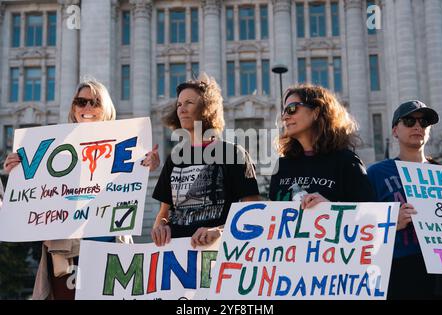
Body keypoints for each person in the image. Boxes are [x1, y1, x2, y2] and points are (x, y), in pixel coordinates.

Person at [3, 79, 159, 299]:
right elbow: (36, 197)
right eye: (81, 101)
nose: (87, 108)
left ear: (106, 109)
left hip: (110, 251)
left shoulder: (125, 145)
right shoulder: (53, 147)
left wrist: (150, 164)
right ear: (73, 107)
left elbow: (133, 181)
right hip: (66, 255)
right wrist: (17, 171)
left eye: (94, 102)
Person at [151, 73, 260, 248]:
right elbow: (163, 214)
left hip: (218, 257)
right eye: (179, 104)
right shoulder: (174, 158)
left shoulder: (233, 153)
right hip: (177, 258)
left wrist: (220, 231)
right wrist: (160, 228)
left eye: (189, 103)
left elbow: (253, 214)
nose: (181, 109)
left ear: (207, 108)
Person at [367, 100, 442, 299]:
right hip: (399, 271)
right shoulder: (377, 173)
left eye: (424, 123)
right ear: (395, 130)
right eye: (409, 120)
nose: (417, 126)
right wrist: (391, 223)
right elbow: (360, 226)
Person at [269, 83, 374, 207]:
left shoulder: (346, 162)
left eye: (292, 109)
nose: (285, 117)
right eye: (284, 111)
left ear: (316, 112)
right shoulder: (282, 166)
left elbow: (369, 215)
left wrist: (329, 207)